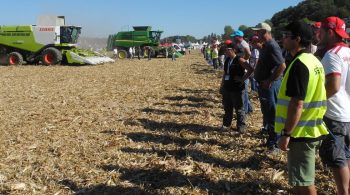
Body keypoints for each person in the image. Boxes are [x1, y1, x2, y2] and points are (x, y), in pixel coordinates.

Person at [276, 20, 328, 195]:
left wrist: (286, 134)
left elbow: (297, 103)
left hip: (300, 132)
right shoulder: (314, 61)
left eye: (286, 36)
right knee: (300, 180)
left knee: (304, 182)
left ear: (297, 39)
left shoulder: (299, 64)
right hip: (311, 128)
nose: (283, 39)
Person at [318, 16, 350, 195]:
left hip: (335, 113)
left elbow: (333, 85)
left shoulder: (332, 54)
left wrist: (317, 102)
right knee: (346, 154)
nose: (318, 34)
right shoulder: (348, 52)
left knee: (337, 158)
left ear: (329, 32)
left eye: (320, 31)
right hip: (348, 112)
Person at [252, 22, 286, 152]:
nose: (256, 34)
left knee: (273, 113)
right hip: (265, 85)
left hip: (271, 86)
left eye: (258, 32)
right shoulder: (266, 46)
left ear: (265, 32)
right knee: (267, 113)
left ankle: (275, 143)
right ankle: (271, 140)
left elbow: (282, 66)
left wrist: (270, 80)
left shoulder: (272, 45)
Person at [220, 44, 254, 133]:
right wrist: (222, 85)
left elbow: (250, 69)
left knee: (239, 108)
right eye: (225, 50)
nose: (226, 51)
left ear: (234, 50)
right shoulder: (227, 60)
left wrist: (243, 79)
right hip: (227, 87)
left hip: (237, 88)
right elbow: (225, 73)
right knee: (227, 107)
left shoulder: (239, 59)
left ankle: (241, 127)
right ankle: (226, 125)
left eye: (228, 49)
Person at [231, 30, 254, 114]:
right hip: (242, 68)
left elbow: (248, 53)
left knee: (243, 93)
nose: (233, 38)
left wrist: (243, 60)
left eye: (234, 36)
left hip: (243, 70)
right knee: (243, 93)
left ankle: (246, 110)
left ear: (238, 37)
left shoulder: (243, 43)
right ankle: (249, 108)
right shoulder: (239, 44)